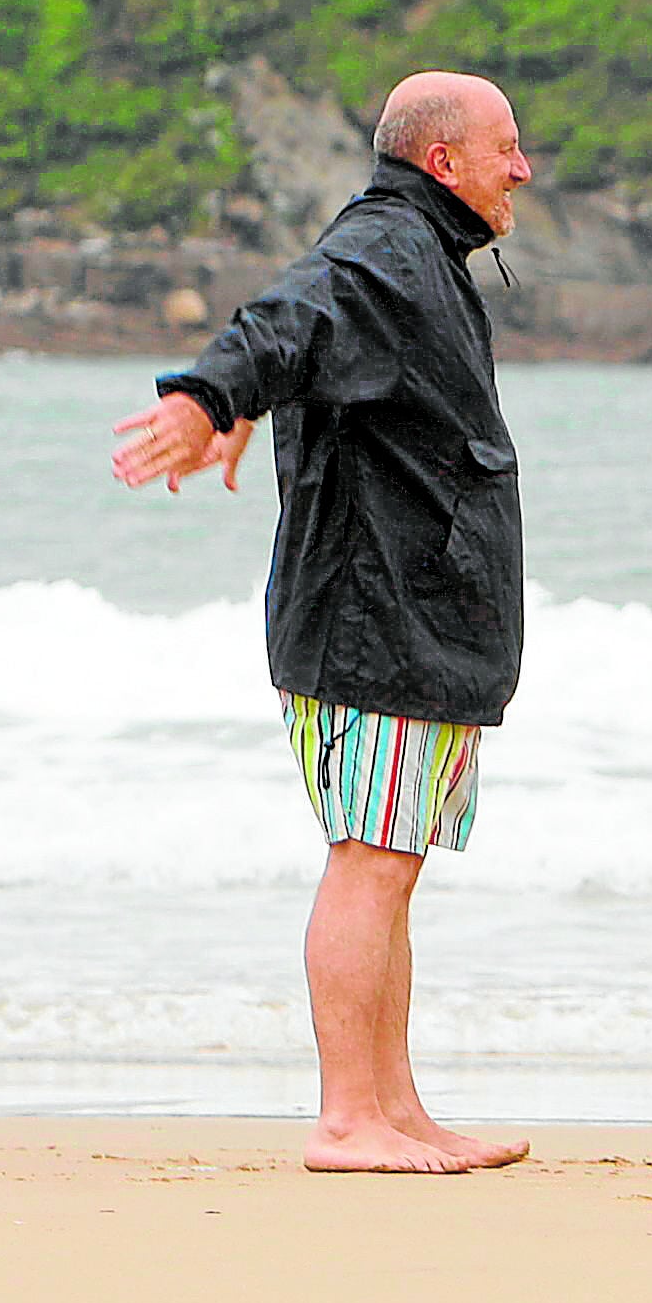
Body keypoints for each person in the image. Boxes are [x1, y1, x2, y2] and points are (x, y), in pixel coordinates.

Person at [106, 71, 537, 1175]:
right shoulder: (387, 249)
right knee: (369, 861)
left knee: (392, 862)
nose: (522, 169)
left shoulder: (420, 258)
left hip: (420, 619)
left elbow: (315, 356)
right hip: (371, 621)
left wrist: (259, 403)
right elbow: (287, 319)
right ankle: (349, 1118)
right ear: (444, 162)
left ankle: (395, 1108)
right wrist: (210, 397)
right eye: (506, 148)